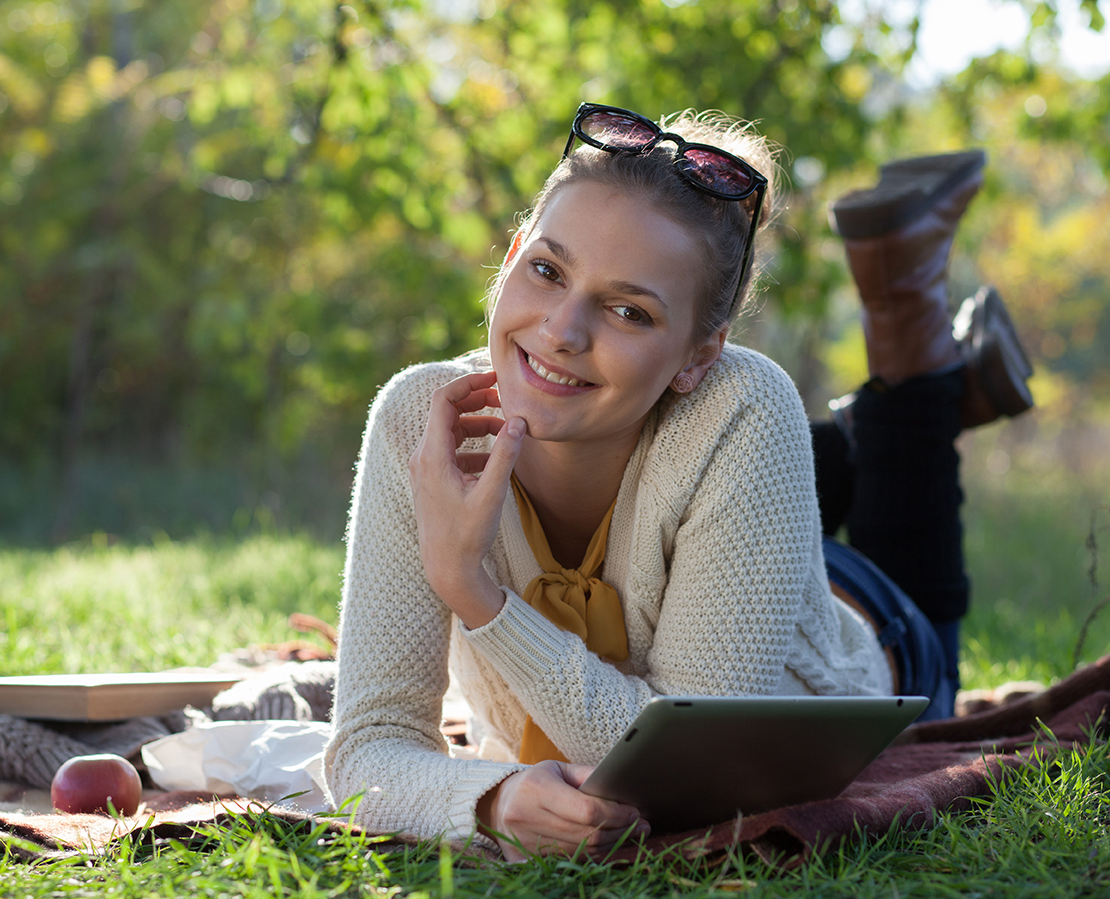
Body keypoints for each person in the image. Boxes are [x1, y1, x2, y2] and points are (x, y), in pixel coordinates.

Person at [322, 103, 1033, 861]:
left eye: (629, 310)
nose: (561, 329)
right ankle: (910, 407)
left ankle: (909, 330)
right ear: (511, 255)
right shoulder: (420, 421)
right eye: (547, 270)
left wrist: (471, 587)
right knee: (703, 448)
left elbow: (680, 766)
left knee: (906, 571)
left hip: (856, 632)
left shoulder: (744, 403)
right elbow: (368, 749)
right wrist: (492, 798)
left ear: (700, 355)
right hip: (711, 511)